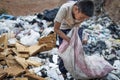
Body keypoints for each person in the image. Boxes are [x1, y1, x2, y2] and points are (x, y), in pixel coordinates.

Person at [54, 0, 94, 79]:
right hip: (63, 30)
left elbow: (78, 25)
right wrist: (68, 39)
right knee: (65, 53)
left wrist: (80, 38)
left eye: (85, 19)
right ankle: (63, 72)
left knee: (77, 50)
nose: (82, 19)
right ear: (76, 9)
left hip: (75, 27)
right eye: (82, 17)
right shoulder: (65, 9)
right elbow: (56, 29)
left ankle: (76, 68)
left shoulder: (80, 14)